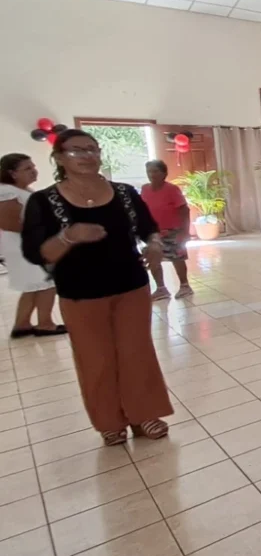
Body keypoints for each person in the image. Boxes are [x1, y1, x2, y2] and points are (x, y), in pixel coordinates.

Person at [21, 130, 172, 445]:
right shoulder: (44, 201)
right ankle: (109, 420)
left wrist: (155, 245)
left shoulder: (124, 193)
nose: (87, 156)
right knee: (95, 358)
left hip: (130, 284)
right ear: (60, 158)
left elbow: (148, 229)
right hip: (80, 291)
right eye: (77, 151)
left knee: (137, 352)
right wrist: (69, 236)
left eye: (92, 149)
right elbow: (36, 252)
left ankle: (143, 414)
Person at [1, 153, 65, 337]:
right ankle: (45, 324)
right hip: (23, 246)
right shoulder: (7, 191)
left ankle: (22, 325)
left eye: (33, 166)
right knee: (46, 284)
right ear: (12, 173)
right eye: (27, 168)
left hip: (26, 244)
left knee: (32, 287)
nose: (34, 170)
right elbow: (8, 222)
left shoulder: (22, 190)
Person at [141, 160, 193, 301]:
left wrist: (184, 231)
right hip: (153, 232)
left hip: (173, 230)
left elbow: (184, 210)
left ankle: (184, 285)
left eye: (155, 171)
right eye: (149, 171)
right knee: (154, 259)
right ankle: (161, 289)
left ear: (164, 173)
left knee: (177, 258)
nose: (152, 174)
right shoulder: (145, 189)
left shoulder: (172, 189)